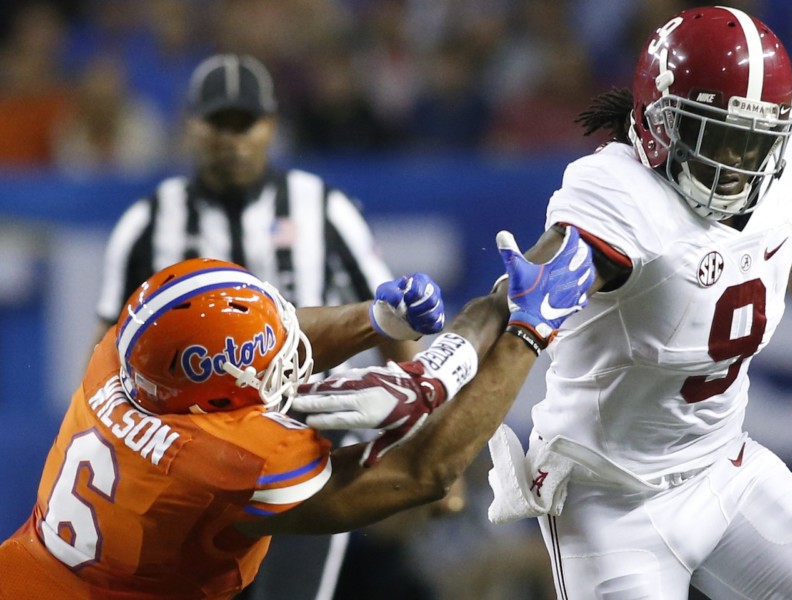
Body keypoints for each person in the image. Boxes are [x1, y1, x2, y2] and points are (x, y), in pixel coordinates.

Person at [468, 6, 792, 599]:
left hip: (727, 469)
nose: (737, 163)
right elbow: (531, 286)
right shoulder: (622, 194)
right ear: (658, 121)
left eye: (753, 142)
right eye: (717, 136)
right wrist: (457, 360)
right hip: (609, 502)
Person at [0, 226, 595, 599]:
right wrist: (527, 334)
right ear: (217, 394)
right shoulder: (223, 461)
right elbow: (420, 473)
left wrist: (374, 321)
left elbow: (263, 348)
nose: (289, 354)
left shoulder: (125, 357)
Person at [92, 52, 422, 599]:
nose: (230, 138)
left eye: (243, 123)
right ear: (190, 126)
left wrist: (418, 427)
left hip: (307, 431)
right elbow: (105, 355)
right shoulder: (145, 226)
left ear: (269, 126)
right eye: (216, 123)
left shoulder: (323, 208)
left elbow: (391, 324)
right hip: (192, 450)